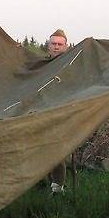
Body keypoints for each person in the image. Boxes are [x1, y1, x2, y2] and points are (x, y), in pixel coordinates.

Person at [47, 29, 69, 194]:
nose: (56, 47)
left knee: (58, 149)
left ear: (66, 47)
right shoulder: (41, 65)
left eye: (59, 44)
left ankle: (57, 186)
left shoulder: (71, 64)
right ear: (49, 46)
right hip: (41, 112)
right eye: (53, 44)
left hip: (63, 113)